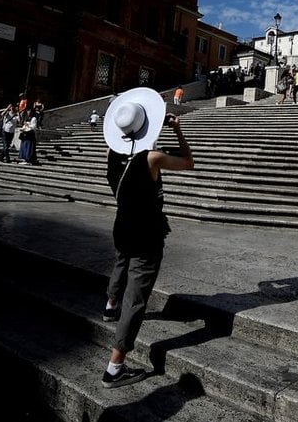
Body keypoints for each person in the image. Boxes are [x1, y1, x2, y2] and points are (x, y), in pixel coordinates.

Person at [100, 87, 195, 389]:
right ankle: (115, 366)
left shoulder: (112, 155)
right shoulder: (152, 158)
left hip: (122, 225)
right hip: (146, 232)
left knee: (121, 261)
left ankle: (109, 303)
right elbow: (188, 162)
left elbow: (127, 148)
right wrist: (178, 129)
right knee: (137, 298)